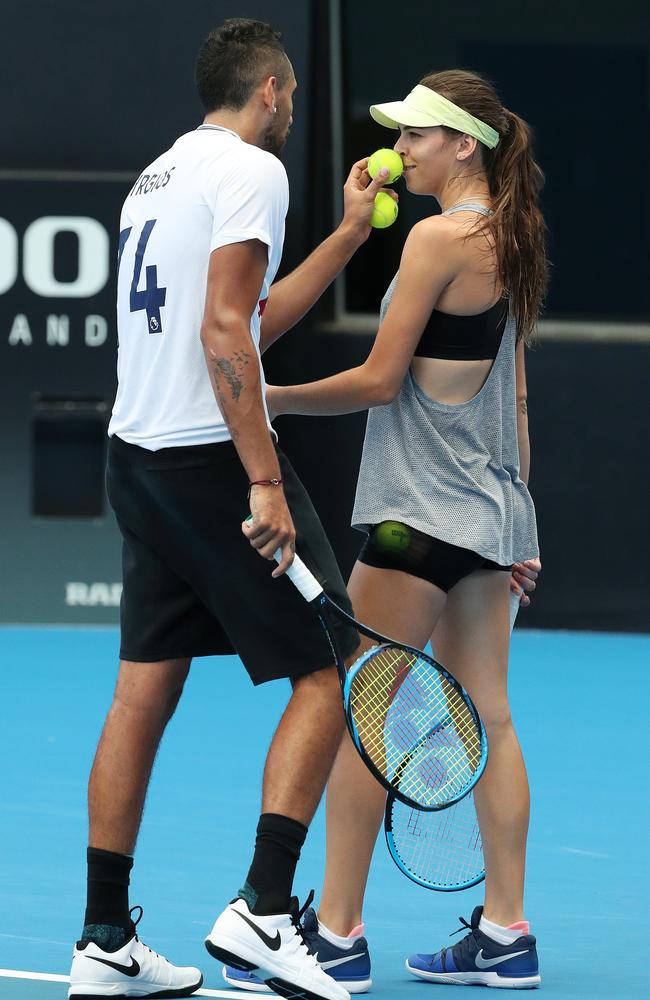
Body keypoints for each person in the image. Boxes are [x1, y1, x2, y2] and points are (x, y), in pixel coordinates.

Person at [67, 17, 392, 1000]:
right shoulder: (253, 172)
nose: (291, 109)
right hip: (213, 461)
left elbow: (246, 316)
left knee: (142, 692)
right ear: (267, 91)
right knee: (336, 663)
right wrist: (260, 476)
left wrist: (344, 233)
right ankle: (260, 908)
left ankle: (102, 939)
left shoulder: (158, 177)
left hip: (138, 461)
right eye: (289, 94)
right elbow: (223, 331)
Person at [225, 69, 546, 993]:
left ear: (463, 147)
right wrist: (521, 516)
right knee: (490, 715)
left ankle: (335, 933)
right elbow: (513, 395)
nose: (401, 152)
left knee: (366, 717)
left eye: (417, 138)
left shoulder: (438, 240)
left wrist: (263, 397)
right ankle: (506, 932)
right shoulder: (513, 237)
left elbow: (375, 380)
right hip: (489, 516)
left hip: (415, 521)